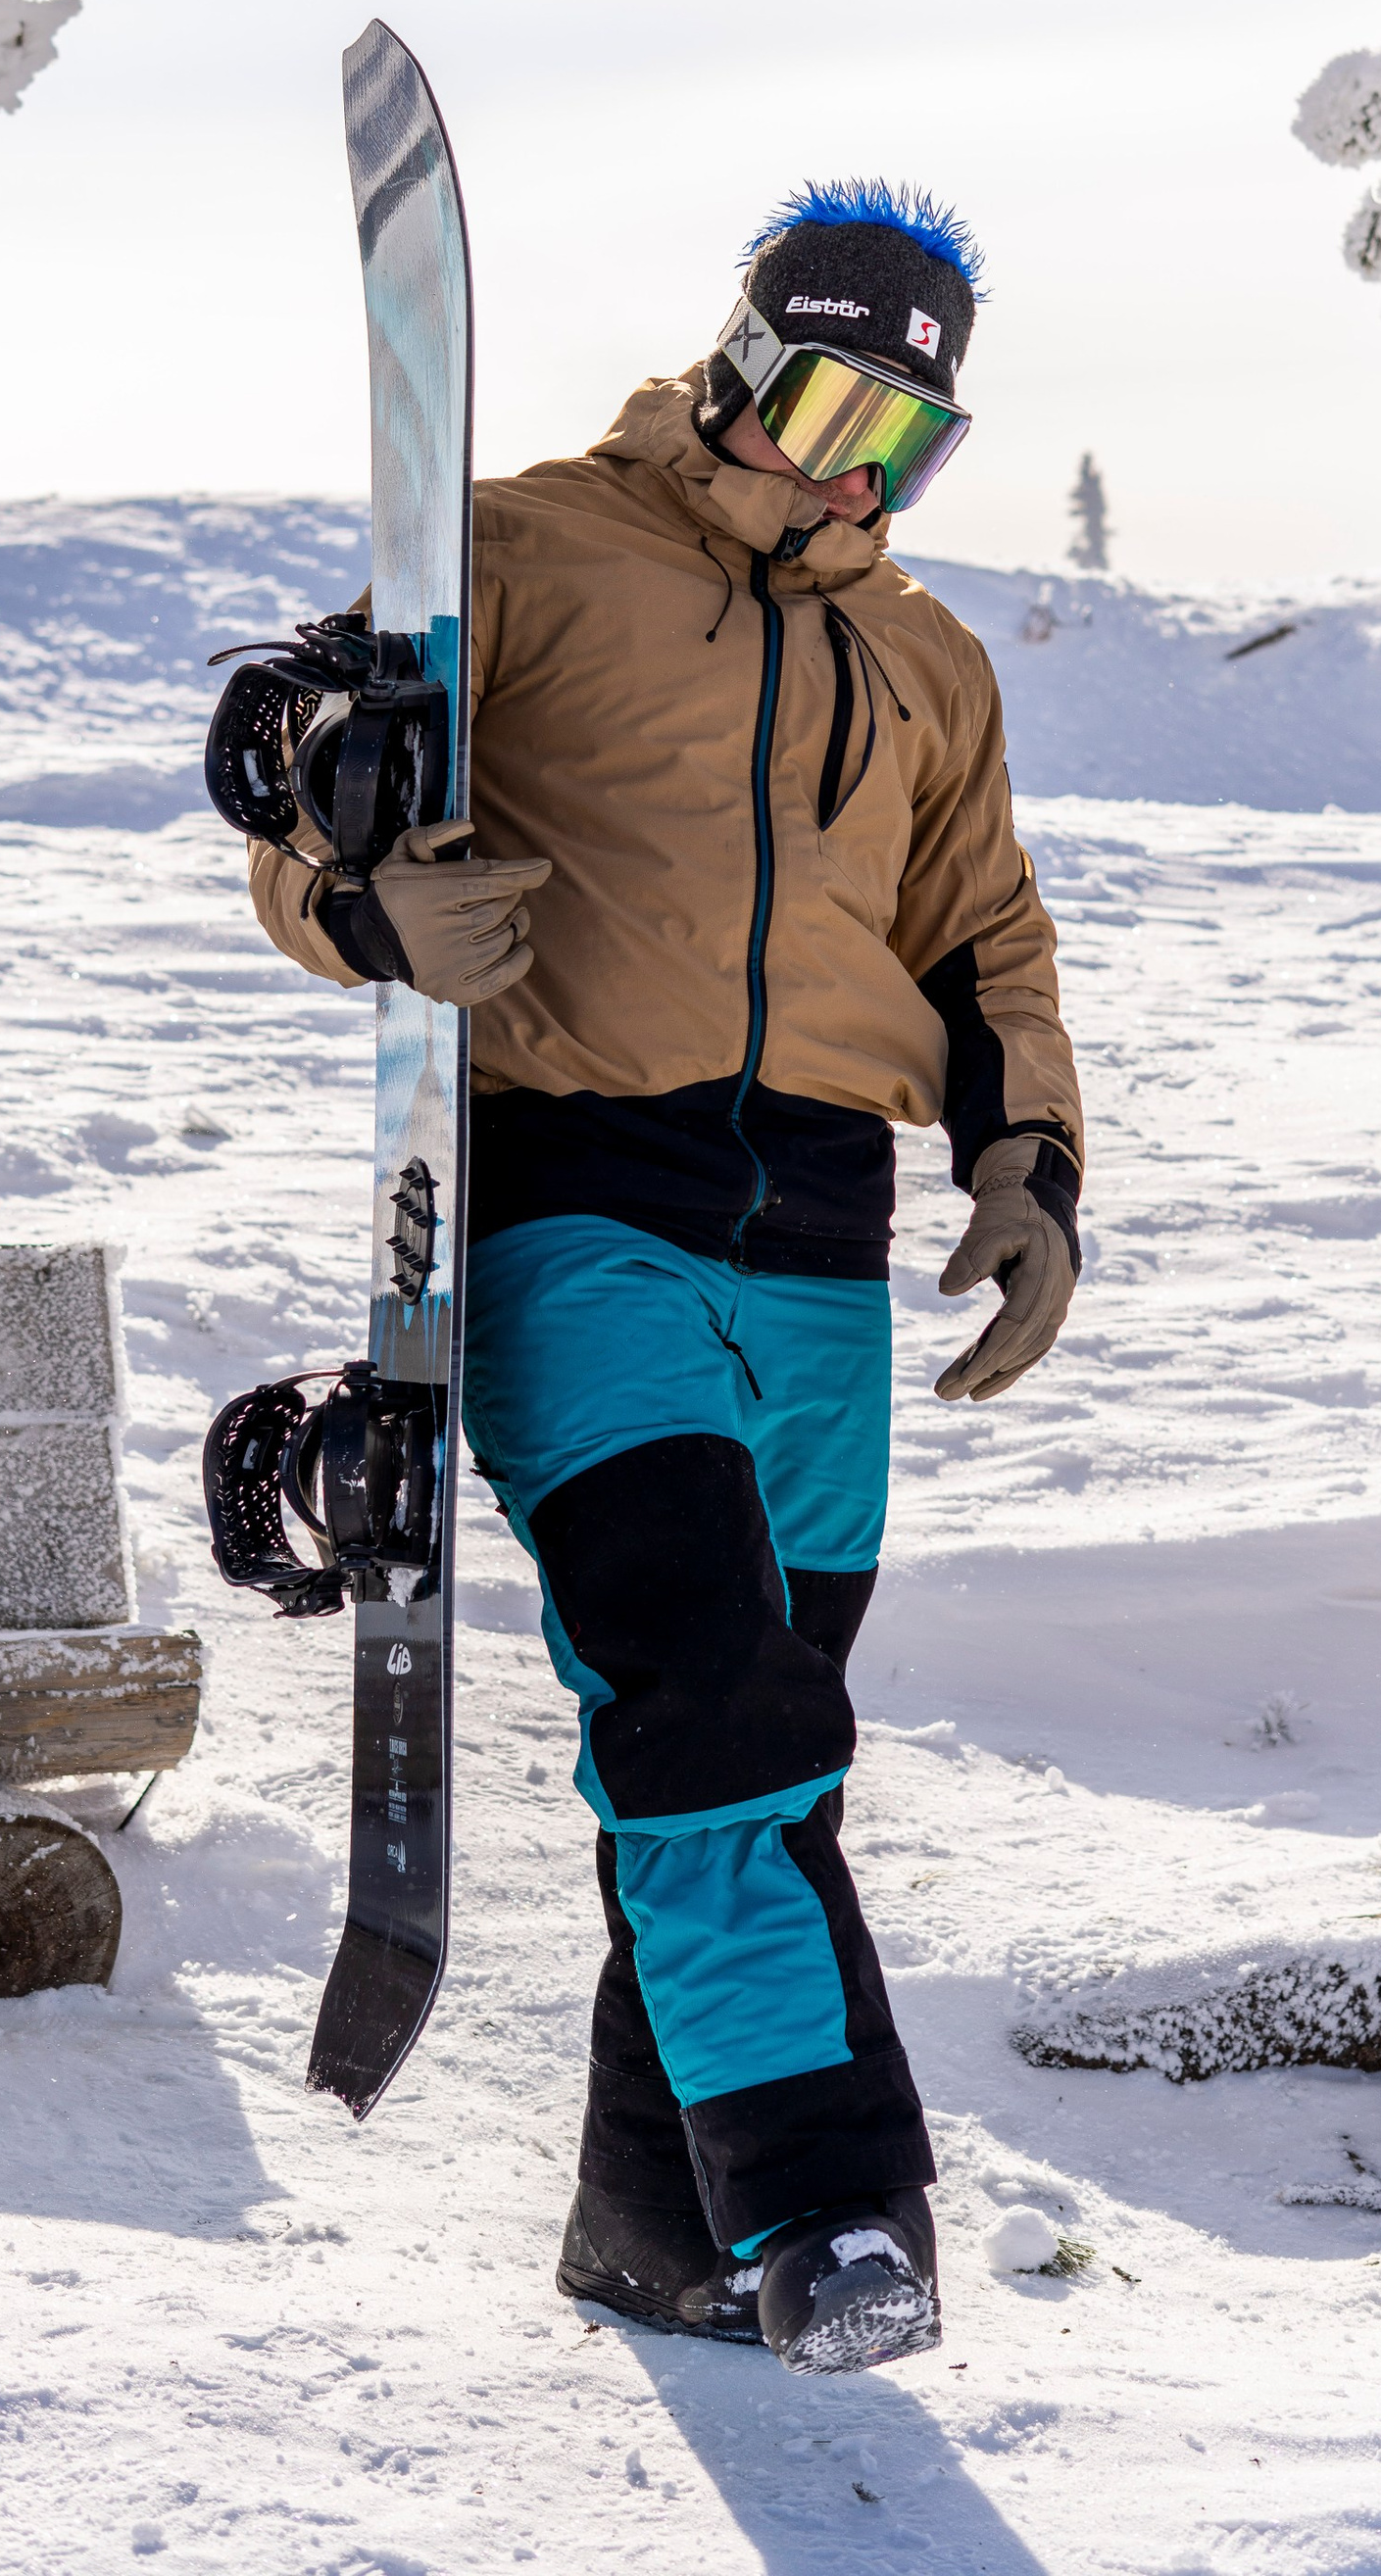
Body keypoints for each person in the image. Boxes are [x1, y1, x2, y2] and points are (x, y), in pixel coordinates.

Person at [246, 179, 1083, 2373]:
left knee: (758, 1757)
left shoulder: (927, 661)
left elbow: (980, 935)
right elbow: (301, 790)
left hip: (819, 1237)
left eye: (907, 445)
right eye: (828, 412)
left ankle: (654, 2231)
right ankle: (825, 2206)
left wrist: (1029, 1169)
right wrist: (364, 903)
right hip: (572, 1200)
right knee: (707, 1697)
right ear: (735, 368)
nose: (855, 476)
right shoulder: (519, 550)